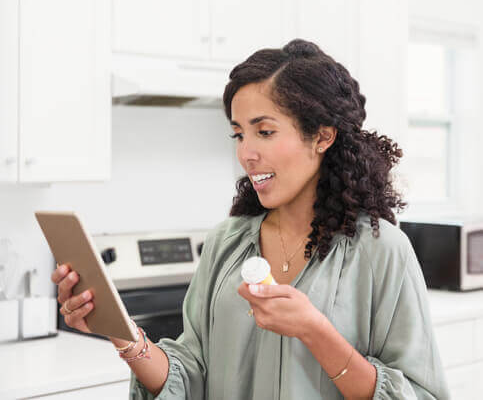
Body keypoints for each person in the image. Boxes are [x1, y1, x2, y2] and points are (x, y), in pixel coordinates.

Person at [51, 39, 450, 399]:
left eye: (265, 131)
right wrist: (123, 337)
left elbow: (419, 395)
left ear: (323, 137)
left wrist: (315, 331)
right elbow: (192, 374)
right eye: (239, 134)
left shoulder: (381, 251)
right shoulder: (227, 242)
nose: (246, 153)